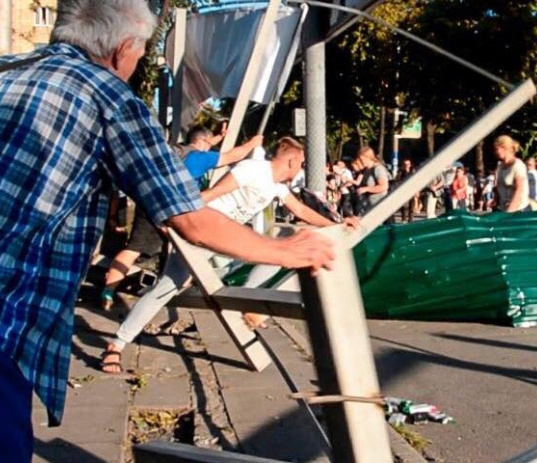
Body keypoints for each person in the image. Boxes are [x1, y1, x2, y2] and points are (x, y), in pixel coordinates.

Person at [0, 0, 333, 462]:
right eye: (139, 57)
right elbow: (187, 216)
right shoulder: (109, 99)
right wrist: (288, 250)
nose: (135, 68)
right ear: (122, 49)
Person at [101, 137, 358, 372]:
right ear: (290, 159)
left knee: (280, 252)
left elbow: (301, 211)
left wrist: (337, 225)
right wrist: (173, 221)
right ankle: (116, 345)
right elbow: (208, 196)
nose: (300, 169)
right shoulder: (252, 170)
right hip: (204, 236)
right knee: (165, 289)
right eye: (300, 163)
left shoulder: (277, 188)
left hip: (227, 245)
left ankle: (247, 303)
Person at [99, 126, 263, 310]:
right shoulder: (200, 158)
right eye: (209, 144)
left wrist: (217, 137)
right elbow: (232, 156)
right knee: (191, 248)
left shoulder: (177, 152)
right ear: (202, 143)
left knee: (134, 249)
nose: (211, 148)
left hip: (149, 202)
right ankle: (176, 293)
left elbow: (202, 141)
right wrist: (252, 143)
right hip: (174, 210)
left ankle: (108, 290)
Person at [493, 135, 529, 212]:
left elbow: (519, 190)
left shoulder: (518, 165)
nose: (495, 152)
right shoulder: (500, 166)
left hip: (518, 211)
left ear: (505, 148)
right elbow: (499, 186)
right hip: (503, 208)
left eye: (497, 149)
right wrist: (495, 199)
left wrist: (510, 211)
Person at [355, 146, 390, 215]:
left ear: (368, 157)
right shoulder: (365, 171)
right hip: (368, 207)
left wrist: (366, 189)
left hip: (379, 207)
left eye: (361, 159)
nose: (360, 161)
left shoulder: (378, 169)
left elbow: (384, 186)